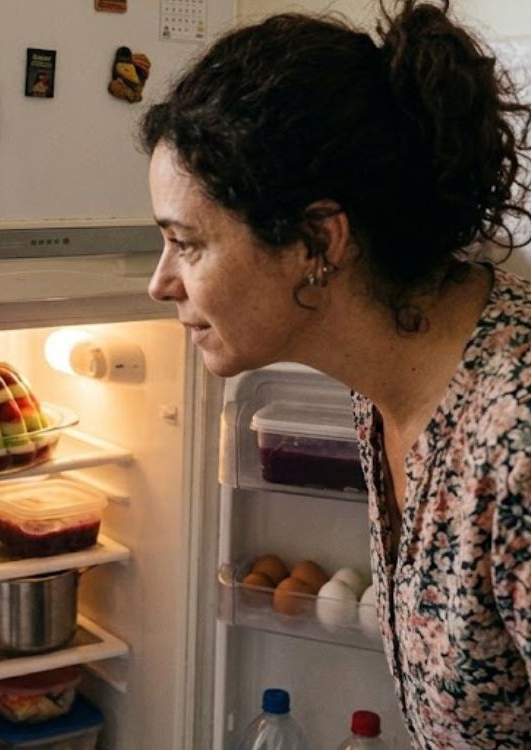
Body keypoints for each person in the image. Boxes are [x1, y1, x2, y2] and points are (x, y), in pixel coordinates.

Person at [141, 1, 531, 746]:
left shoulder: (516, 440)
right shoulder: (383, 383)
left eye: (186, 243)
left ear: (318, 240)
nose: (160, 282)